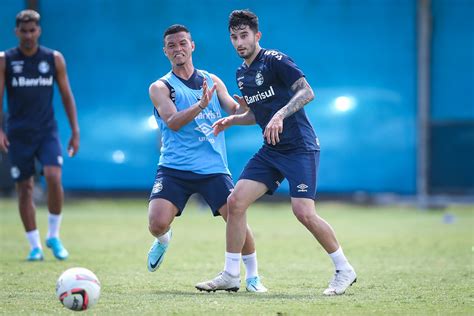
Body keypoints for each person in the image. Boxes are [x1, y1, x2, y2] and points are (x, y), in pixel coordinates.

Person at [196, 10, 357, 296]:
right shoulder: (242, 73)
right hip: (272, 150)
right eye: (234, 37)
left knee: (303, 212)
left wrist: (281, 114)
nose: (239, 42)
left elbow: (307, 92)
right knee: (235, 202)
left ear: (257, 36)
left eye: (244, 36)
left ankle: (344, 269)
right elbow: (257, 115)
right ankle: (232, 274)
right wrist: (234, 119)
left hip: (300, 147)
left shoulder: (275, 60)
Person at [146, 24, 267, 293]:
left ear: (192, 46)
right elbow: (173, 122)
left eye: (182, 43)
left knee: (236, 218)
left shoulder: (211, 80)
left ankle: (253, 277)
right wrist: (200, 105)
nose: (178, 49)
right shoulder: (160, 87)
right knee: (156, 224)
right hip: (174, 167)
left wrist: (245, 105)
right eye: (172, 46)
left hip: (212, 167)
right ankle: (164, 241)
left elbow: (236, 111)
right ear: (165, 51)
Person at [0, 10, 80, 261]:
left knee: (54, 177)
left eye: (32, 30)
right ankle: (34, 246)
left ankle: (53, 235)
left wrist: (75, 131)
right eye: (23, 31)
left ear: (39, 31)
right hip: (18, 133)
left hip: (47, 131)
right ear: (16, 32)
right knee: (24, 188)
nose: (28, 35)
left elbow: (66, 95)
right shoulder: (5, 60)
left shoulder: (53, 59)